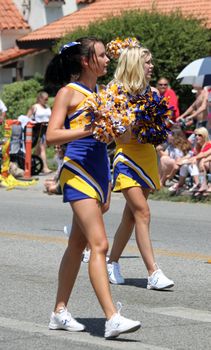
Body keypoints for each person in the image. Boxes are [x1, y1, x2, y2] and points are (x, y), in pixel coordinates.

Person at [45, 37, 141, 339]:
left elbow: (113, 140)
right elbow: (52, 135)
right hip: (77, 173)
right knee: (99, 245)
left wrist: (128, 126)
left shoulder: (102, 94)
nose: (107, 60)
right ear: (87, 61)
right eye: (102, 55)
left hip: (100, 174)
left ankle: (59, 311)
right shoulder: (68, 93)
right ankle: (112, 317)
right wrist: (90, 128)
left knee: (76, 245)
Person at [106, 44, 174, 289]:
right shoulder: (115, 92)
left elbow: (157, 133)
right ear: (135, 64)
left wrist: (160, 128)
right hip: (125, 158)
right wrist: (134, 118)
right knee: (143, 212)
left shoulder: (153, 92)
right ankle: (153, 273)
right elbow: (120, 138)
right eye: (147, 62)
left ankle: (112, 262)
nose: (152, 66)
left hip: (147, 157)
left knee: (132, 216)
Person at [27, 91, 52, 174]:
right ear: (40, 98)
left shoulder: (47, 107)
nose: (47, 101)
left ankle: (31, 165)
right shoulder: (35, 107)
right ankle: (45, 167)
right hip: (37, 129)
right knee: (42, 148)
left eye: (47, 99)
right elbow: (27, 118)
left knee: (38, 150)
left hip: (46, 129)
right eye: (45, 99)